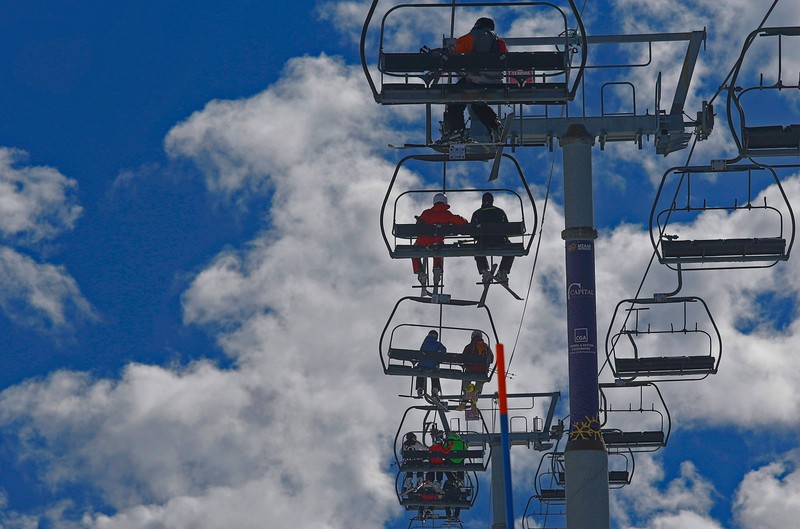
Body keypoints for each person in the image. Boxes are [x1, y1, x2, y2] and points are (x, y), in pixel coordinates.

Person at [437, 17, 508, 143]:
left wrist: (444, 52)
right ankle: (494, 125)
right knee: (477, 104)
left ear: (477, 25)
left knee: (454, 99)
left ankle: (456, 132)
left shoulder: (477, 35)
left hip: (478, 78)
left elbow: (459, 47)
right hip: (496, 81)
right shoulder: (499, 41)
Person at [411, 193, 468, 293]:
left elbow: (418, 226)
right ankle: (437, 268)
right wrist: (464, 220)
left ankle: (420, 271)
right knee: (438, 251)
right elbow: (461, 222)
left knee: (415, 253)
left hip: (422, 242)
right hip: (437, 242)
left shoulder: (426, 213)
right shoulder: (446, 214)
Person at [472, 192, 515, 284]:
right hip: (499, 241)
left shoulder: (477, 214)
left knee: (477, 250)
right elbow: (507, 228)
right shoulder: (500, 212)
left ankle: (484, 270)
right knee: (511, 248)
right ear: (492, 201)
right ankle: (503, 271)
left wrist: (479, 237)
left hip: (483, 242)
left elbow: (472, 232)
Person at [457, 330, 494, 411]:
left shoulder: (468, 347)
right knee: (480, 380)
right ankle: (477, 391)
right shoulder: (486, 347)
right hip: (482, 372)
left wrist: (465, 364)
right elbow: (491, 359)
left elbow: (463, 358)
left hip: (470, 370)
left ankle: (467, 390)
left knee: (466, 378)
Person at [416, 330, 445, 398]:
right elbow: (443, 350)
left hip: (422, 365)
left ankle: (420, 387)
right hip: (432, 366)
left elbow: (421, 353)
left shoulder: (424, 343)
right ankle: (435, 388)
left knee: (420, 371)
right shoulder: (436, 343)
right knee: (435, 372)